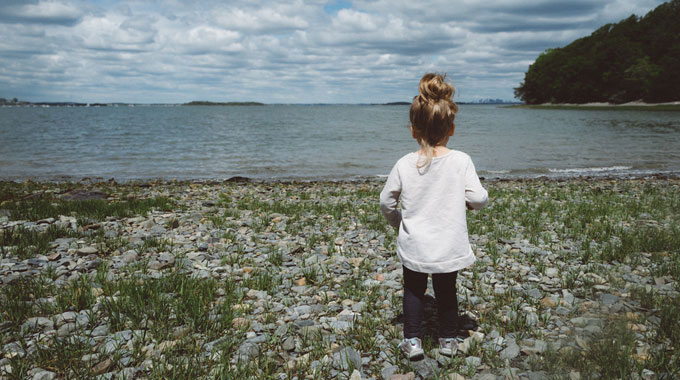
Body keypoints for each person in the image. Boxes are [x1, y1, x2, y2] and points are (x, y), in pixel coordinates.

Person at [379, 73, 488, 360]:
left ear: (413, 130)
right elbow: (478, 198)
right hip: (447, 243)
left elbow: (386, 201)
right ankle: (448, 340)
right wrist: (467, 205)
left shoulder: (405, 163)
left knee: (414, 290)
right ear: (451, 129)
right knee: (446, 290)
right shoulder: (461, 161)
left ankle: (412, 341)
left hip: (415, 242)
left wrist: (398, 221)